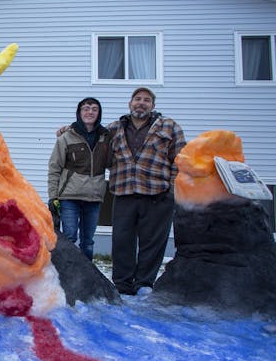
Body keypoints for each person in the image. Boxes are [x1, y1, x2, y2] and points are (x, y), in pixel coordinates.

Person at [107, 87, 186, 295]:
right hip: (124, 191)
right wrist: (66, 131)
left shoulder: (169, 126)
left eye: (147, 100)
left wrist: (172, 189)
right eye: (137, 99)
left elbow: (180, 159)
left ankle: (144, 283)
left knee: (152, 242)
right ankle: (122, 285)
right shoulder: (113, 128)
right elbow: (90, 139)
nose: (141, 103)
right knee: (122, 241)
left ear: (153, 106)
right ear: (129, 103)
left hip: (157, 193)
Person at [47, 97, 109, 260]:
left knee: (88, 242)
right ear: (79, 112)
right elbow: (54, 168)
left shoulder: (106, 138)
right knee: (69, 238)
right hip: (69, 197)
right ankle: (67, 277)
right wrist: (53, 196)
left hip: (94, 197)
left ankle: (87, 279)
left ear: (99, 113)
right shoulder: (66, 137)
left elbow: (112, 162)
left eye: (94, 109)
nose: (90, 112)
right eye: (86, 108)